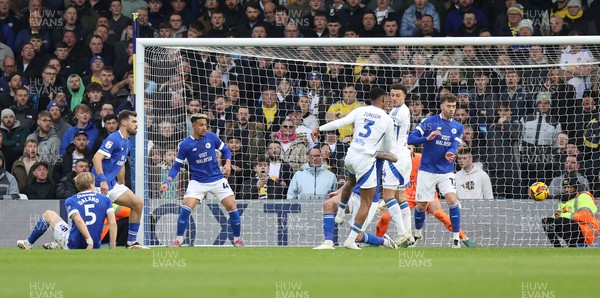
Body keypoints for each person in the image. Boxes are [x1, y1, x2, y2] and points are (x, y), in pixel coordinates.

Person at [312, 87, 396, 249]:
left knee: (357, 235)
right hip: (360, 177)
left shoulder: (360, 111)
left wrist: (320, 128)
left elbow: (341, 122)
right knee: (328, 204)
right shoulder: (386, 122)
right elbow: (388, 149)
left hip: (357, 168)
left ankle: (384, 241)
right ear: (384, 99)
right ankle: (328, 242)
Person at [160, 113, 244, 247]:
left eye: (205, 125)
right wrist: (167, 182)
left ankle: (237, 239)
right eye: (201, 125)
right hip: (197, 182)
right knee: (185, 210)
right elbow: (176, 166)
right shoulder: (185, 144)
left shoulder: (211, 137)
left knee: (232, 208)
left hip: (217, 179)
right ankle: (178, 240)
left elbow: (226, 151)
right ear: (193, 126)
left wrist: (227, 164)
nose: (204, 128)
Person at [375, 146, 477, 247]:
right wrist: (384, 202)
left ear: (413, 149)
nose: (408, 150)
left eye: (409, 148)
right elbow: (393, 187)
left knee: (439, 214)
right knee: (385, 218)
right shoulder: (396, 162)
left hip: (427, 191)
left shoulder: (421, 159)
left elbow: (435, 175)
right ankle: (377, 240)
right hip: (406, 195)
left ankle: (463, 237)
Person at [407, 93, 464, 248]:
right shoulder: (429, 122)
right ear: (441, 106)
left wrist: (451, 152)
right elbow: (411, 139)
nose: (452, 109)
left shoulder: (458, 127)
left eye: (454, 106)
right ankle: (417, 235)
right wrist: (427, 138)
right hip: (427, 170)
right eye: (449, 106)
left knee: (452, 200)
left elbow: (454, 144)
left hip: (446, 171)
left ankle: (455, 239)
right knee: (421, 205)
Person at [17, 172, 117, 250]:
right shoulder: (105, 199)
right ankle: (57, 243)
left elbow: (78, 220)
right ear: (91, 185)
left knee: (48, 214)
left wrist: (89, 241)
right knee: (71, 228)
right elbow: (112, 223)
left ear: (77, 186)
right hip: (95, 244)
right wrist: (111, 248)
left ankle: (28, 243)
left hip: (74, 244)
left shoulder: (72, 200)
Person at [91, 110, 147, 249]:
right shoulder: (113, 139)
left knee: (138, 204)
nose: (136, 125)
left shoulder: (127, 142)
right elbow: (96, 158)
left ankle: (131, 242)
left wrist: (121, 183)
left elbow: (119, 165)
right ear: (124, 122)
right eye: (133, 122)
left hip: (112, 184)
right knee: (94, 223)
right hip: (99, 186)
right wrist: (102, 180)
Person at [380, 83, 413, 247]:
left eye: (397, 95)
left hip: (394, 157)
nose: (393, 98)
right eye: (392, 95)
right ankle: (409, 235)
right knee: (401, 197)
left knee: (388, 196)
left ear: (404, 96)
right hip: (404, 156)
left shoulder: (398, 112)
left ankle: (402, 234)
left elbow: (383, 130)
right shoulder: (400, 111)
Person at [541, 177, 599, 248]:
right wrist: (555, 216)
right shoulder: (564, 200)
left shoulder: (584, 197)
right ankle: (557, 247)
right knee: (547, 221)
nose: (566, 190)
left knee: (562, 221)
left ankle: (574, 246)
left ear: (575, 188)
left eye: (569, 187)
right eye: (565, 187)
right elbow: (559, 215)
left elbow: (585, 216)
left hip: (588, 229)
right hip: (572, 227)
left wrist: (562, 215)